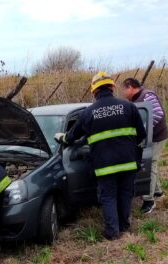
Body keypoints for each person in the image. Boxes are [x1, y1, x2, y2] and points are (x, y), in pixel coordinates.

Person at [54, 72, 146, 240]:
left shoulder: (88, 113)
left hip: (104, 166)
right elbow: (141, 135)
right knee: (125, 195)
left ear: (94, 91)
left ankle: (113, 232)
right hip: (128, 162)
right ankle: (124, 228)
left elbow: (71, 137)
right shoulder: (129, 107)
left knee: (108, 197)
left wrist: (61, 137)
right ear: (112, 87)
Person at [122, 77, 168, 214]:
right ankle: (158, 192)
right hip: (148, 138)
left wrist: (143, 131)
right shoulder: (135, 100)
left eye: (124, 89)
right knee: (151, 163)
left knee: (151, 164)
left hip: (157, 137)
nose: (123, 93)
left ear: (130, 86)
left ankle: (149, 200)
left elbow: (158, 114)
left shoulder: (147, 95)